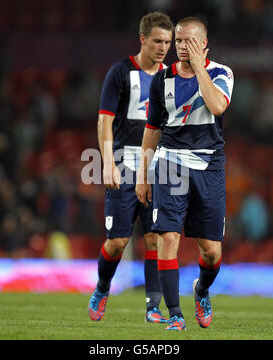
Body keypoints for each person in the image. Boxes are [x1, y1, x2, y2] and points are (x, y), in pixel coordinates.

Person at [136, 17, 234, 331]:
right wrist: (143, 174)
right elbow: (152, 129)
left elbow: (217, 106)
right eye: (179, 41)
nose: (181, 47)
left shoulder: (221, 73)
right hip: (169, 162)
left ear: (204, 44)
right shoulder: (161, 79)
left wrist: (198, 66)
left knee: (211, 251)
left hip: (208, 166)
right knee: (167, 237)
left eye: (189, 41)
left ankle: (201, 290)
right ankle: (176, 314)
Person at [88, 12, 174, 323]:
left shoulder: (173, 76)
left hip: (157, 166)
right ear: (142, 39)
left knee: (155, 239)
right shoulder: (120, 72)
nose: (163, 47)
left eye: (168, 42)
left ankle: (153, 307)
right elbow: (104, 120)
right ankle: (101, 287)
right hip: (124, 163)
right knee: (117, 242)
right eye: (157, 41)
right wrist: (108, 162)